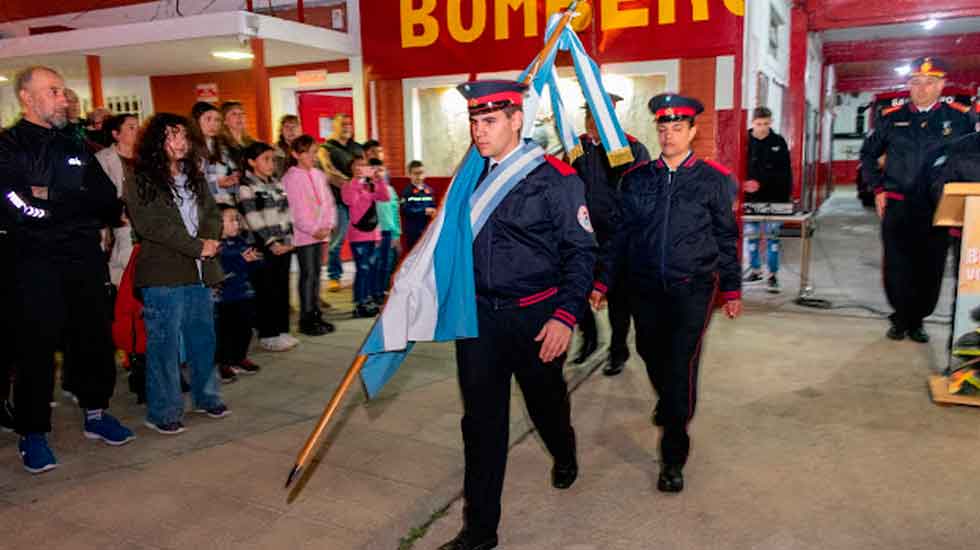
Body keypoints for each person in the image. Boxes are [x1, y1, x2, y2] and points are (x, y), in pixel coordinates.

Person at [437, 80, 596, 550]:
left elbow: (582, 252)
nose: (478, 131)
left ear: (516, 120)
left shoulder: (555, 178)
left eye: (488, 121)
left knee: (547, 407)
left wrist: (565, 316)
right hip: (479, 320)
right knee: (482, 425)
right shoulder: (470, 177)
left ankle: (564, 453)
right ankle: (480, 530)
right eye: (473, 121)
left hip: (535, 319)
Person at [603, 93, 741, 494]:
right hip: (643, 288)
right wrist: (603, 280)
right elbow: (620, 237)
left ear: (693, 131)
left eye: (677, 128)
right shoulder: (636, 179)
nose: (668, 135)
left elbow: (725, 236)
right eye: (662, 128)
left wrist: (731, 288)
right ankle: (671, 399)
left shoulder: (714, 179)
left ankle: (672, 456)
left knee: (680, 364)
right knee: (649, 350)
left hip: (691, 289)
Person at [0, 66, 135, 473]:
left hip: (83, 260)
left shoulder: (74, 144)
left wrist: (51, 196)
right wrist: (67, 203)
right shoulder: (8, 146)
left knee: (93, 338)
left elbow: (108, 203)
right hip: (32, 262)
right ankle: (33, 431)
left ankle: (96, 413)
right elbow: (15, 206)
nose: (63, 98)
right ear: (27, 97)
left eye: (63, 91)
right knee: (35, 348)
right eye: (54, 91)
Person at [126, 113, 230, 434]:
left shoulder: (192, 174)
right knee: (164, 344)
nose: (181, 142)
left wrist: (211, 239)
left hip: (200, 270)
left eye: (183, 135)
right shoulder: (139, 176)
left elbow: (211, 212)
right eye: (172, 136)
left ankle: (206, 395)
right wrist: (196, 246)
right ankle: (164, 411)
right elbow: (151, 225)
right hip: (163, 273)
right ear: (157, 140)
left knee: (203, 337)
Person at [860, 57, 975, 343]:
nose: (922, 89)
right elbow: (868, 155)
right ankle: (900, 317)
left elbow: (972, 158)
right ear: (909, 85)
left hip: (938, 206)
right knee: (897, 263)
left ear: (941, 85)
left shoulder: (960, 119)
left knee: (931, 264)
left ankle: (919, 319)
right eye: (916, 82)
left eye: (929, 83)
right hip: (898, 203)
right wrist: (877, 189)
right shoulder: (891, 119)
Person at [570, 93, 651, 374]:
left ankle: (618, 351)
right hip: (584, 236)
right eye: (588, 115)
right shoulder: (577, 148)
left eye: (598, 116)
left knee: (619, 300)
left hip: (620, 238)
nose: (591, 121)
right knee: (576, 288)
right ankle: (589, 337)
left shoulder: (631, 149)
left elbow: (642, 198)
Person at [238, 141, 299, 352]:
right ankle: (268, 334)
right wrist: (271, 243)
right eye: (265, 159)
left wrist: (289, 240)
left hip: (283, 243)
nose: (271, 163)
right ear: (251, 162)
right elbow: (253, 218)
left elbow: (287, 213)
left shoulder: (278, 183)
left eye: (272, 159)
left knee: (282, 288)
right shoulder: (246, 186)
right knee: (266, 290)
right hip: (262, 245)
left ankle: (283, 330)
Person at [283, 134, 337, 336]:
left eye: (315, 152)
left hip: (321, 233)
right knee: (307, 275)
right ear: (296, 154)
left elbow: (328, 202)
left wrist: (328, 224)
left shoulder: (319, 175)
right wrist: (313, 229)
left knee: (316, 274)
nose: (314, 156)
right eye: (310, 153)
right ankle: (306, 319)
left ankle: (316, 313)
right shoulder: (291, 177)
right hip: (305, 235)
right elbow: (296, 210)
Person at [743, 106, 793, 293]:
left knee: (773, 239)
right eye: (758, 124)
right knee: (752, 238)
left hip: (774, 199)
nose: (762, 128)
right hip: (750, 200)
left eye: (765, 123)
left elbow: (785, 173)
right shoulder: (744, 141)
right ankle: (755, 270)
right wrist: (743, 184)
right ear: (752, 122)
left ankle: (773, 274)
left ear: (771, 122)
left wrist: (786, 199)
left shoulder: (778, 142)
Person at [215, 205, 263, 383]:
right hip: (225, 298)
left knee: (245, 328)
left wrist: (255, 260)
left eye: (237, 219)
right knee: (226, 331)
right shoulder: (215, 246)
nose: (236, 223)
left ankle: (239, 357)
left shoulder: (241, 241)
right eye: (231, 220)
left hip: (245, 293)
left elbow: (253, 265)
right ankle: (224, 362)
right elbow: (223, 268)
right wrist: (241, 260)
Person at [342, 156, 390, 318]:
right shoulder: (348, 186)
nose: (360, 168)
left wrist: (379, 179)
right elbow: (350, 200)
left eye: (363, 166)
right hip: (358, 235)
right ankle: (360, 302)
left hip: (373, 234)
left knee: (371, 268)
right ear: (351, 169)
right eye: (357, 166)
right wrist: (359, 180)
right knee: (362, 268)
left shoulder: (371, 185)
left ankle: (368, 299)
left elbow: (385, 197)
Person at [319, 114, 362, 291]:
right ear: (334, 127)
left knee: (362, 240)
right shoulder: (326, 148)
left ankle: (362, 275)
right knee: (337, 240)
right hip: (338, 201)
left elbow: (367, 170)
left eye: (349, 124)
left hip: (361, 202)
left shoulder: (358, 148)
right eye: (342, 124)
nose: (347, 127)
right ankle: (334, 276)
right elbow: (329, 173)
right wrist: (350, 182)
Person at [95, 113, 139, 285]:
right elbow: (99, 194)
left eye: (137, 126)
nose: (137, 131)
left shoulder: (145, 157)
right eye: (131, 127)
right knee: (124, 269)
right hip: (119, 221)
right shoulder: (102, 158)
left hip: (144, 219)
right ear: (116, 134)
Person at [191, 101, 241, 206]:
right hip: (204, 207)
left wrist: (233, 179)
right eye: (208, 119)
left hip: (227, 204)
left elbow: (235, 179)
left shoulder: (222, 148)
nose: (213, 124)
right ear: (196, 121)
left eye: (217, 120)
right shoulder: (189, 149)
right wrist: (218, 184)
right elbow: (190, 187)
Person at [374, 158, 402, 298]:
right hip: (375, 234)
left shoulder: (391, 190)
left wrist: (397, 234)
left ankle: (384, 291)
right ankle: (375, 291)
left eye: (381, 170)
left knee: (388, 263)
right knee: (375, 264)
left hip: (389, 232)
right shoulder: (370, 189)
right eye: (375, 170)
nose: (379, 173)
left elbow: (395, 212)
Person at [400, 160, 436, 251]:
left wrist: (434, 212)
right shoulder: (407, 191)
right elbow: (406, 210)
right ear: (409, 174)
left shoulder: (429, 190)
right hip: (413, 231)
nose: (419, 176)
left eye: (421, 173)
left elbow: (433, 206)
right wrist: (424, 211)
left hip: (427, 230)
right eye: (415, 173)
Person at [274, 114, 301, 179]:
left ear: (299, 130)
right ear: (281, 131)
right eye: (287, 127)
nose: (291, 130)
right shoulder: (273, 150)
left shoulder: (306, 148)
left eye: (294, 127)